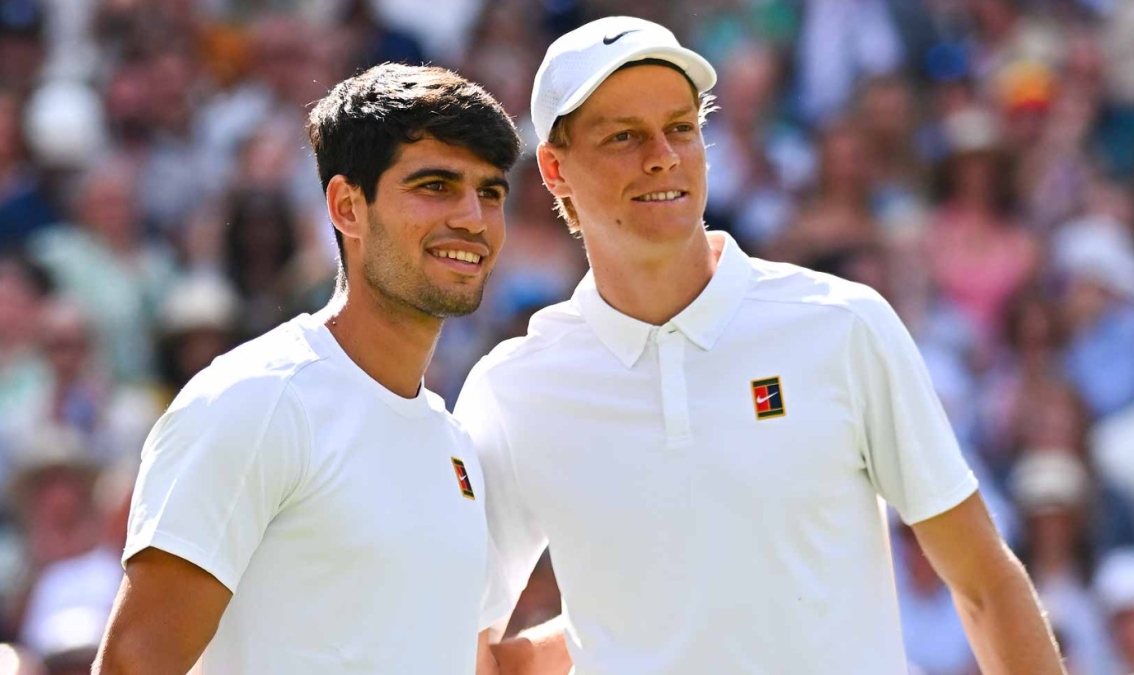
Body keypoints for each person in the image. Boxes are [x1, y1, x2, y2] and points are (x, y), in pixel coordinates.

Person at [455, 16, 1067, 674]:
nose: (662, 155)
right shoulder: (512, 389)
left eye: (681, 128)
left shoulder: (843, 325)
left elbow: (985, 584)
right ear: (554, 169)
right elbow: (468, 646)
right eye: (624, 137)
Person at [92, 63, 521, 674]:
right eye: (435, 185)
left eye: (491, 192)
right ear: (347, 207)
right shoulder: (257, 400)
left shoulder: (453, 442)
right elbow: (135, 666)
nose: (473, 219)